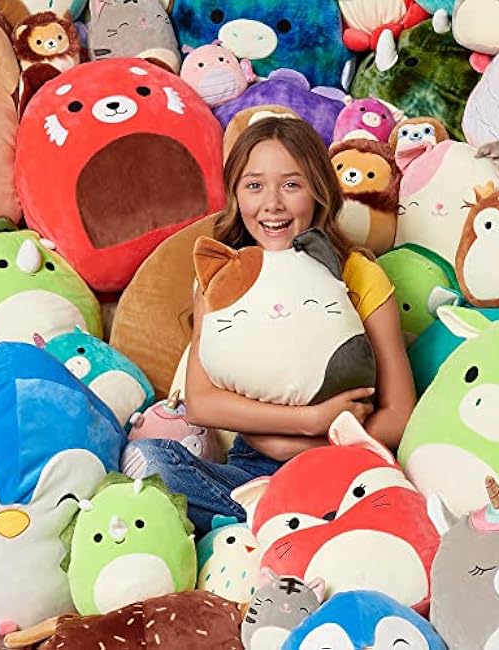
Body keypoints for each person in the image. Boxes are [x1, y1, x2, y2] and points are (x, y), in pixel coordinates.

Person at [122, 117, 417, 537]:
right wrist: (308, 421)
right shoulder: (223, 277)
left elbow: (399, 413)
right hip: (253, 470)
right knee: (152, 462)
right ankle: (283, 522)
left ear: (319, 191)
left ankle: (278, 524)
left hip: (342, 465)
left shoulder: (359, 273)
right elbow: (202, 403)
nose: (272, 204)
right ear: (236, 195)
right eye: (254, 185)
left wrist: (314, 446)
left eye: (292, 185)